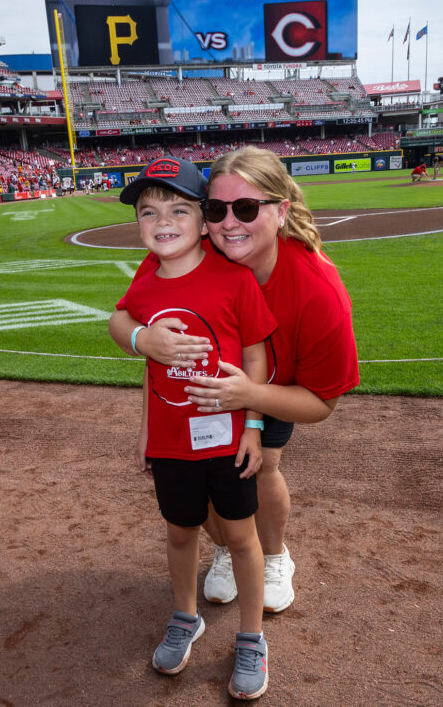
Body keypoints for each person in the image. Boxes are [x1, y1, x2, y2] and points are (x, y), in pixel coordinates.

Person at [109, 146, 359, 617]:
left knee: (260, 466)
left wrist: (252, 403)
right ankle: (227, 548)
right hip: (200, 394)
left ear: (281, 211)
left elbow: (323, 401)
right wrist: (143, 338)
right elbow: (130, 321)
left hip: (282, 386)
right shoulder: (183, 251)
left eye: (246, 208)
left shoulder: (318, 291)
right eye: (218, 209)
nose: (229, 223)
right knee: (194, 482)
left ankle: (275, 557)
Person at [115, 156, 277, 701]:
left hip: (228, 437)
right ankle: (186, 617)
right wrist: (143, 345)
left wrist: (254, 425)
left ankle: (251, 637)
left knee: (240, 535)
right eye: (148, 211)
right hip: (170, 441)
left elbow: (256, 358)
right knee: (181, 530)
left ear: (205, 219)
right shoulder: (144, 277)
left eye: (179, 209)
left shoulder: (231, 279)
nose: (162, 221)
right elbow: (127, 332)